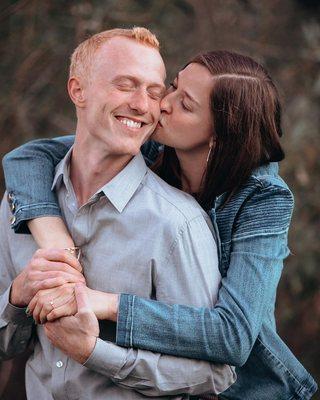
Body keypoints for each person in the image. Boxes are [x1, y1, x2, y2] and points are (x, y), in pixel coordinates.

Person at [2, 49, 318, 399]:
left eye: (186, 105)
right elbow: (26, 157)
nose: (163, 104)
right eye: (173, 87)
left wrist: (105, 303)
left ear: (219, 134)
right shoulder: (152, 148)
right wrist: (55, 240)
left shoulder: (263, 199)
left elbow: (233, 336)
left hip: (244, 389)